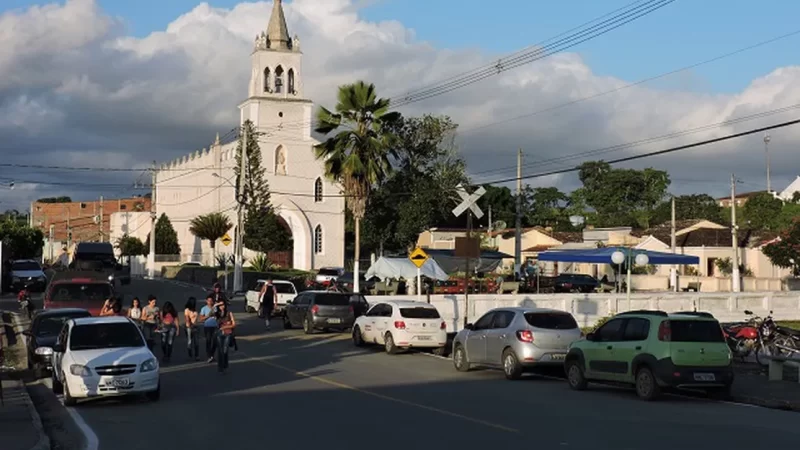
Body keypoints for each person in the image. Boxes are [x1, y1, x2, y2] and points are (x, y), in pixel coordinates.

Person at [215, 302, 236, 373]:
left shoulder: (229, 313)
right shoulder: (217, 314)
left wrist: (225, 327)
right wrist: (216, 305)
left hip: (227, 333)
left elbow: (234, 324)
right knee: (220, 351)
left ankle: (225, 364)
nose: (222, 307)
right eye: (220, 306)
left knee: (225, 350)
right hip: (219, 334)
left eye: (223, 305)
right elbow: (209, 313)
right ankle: (220, 366)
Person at [198, 295, 218, 363]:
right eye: (208, 301)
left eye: (211, 301)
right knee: (208, 341)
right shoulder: (204, 308)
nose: (210, 302)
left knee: (215, 341)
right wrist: (208, 316)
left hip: (215, 326)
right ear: (206, 301)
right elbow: (200, 319)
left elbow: (219, 316)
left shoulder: (215, 308)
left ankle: (212, 354)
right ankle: (209, 356)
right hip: (207, 327)